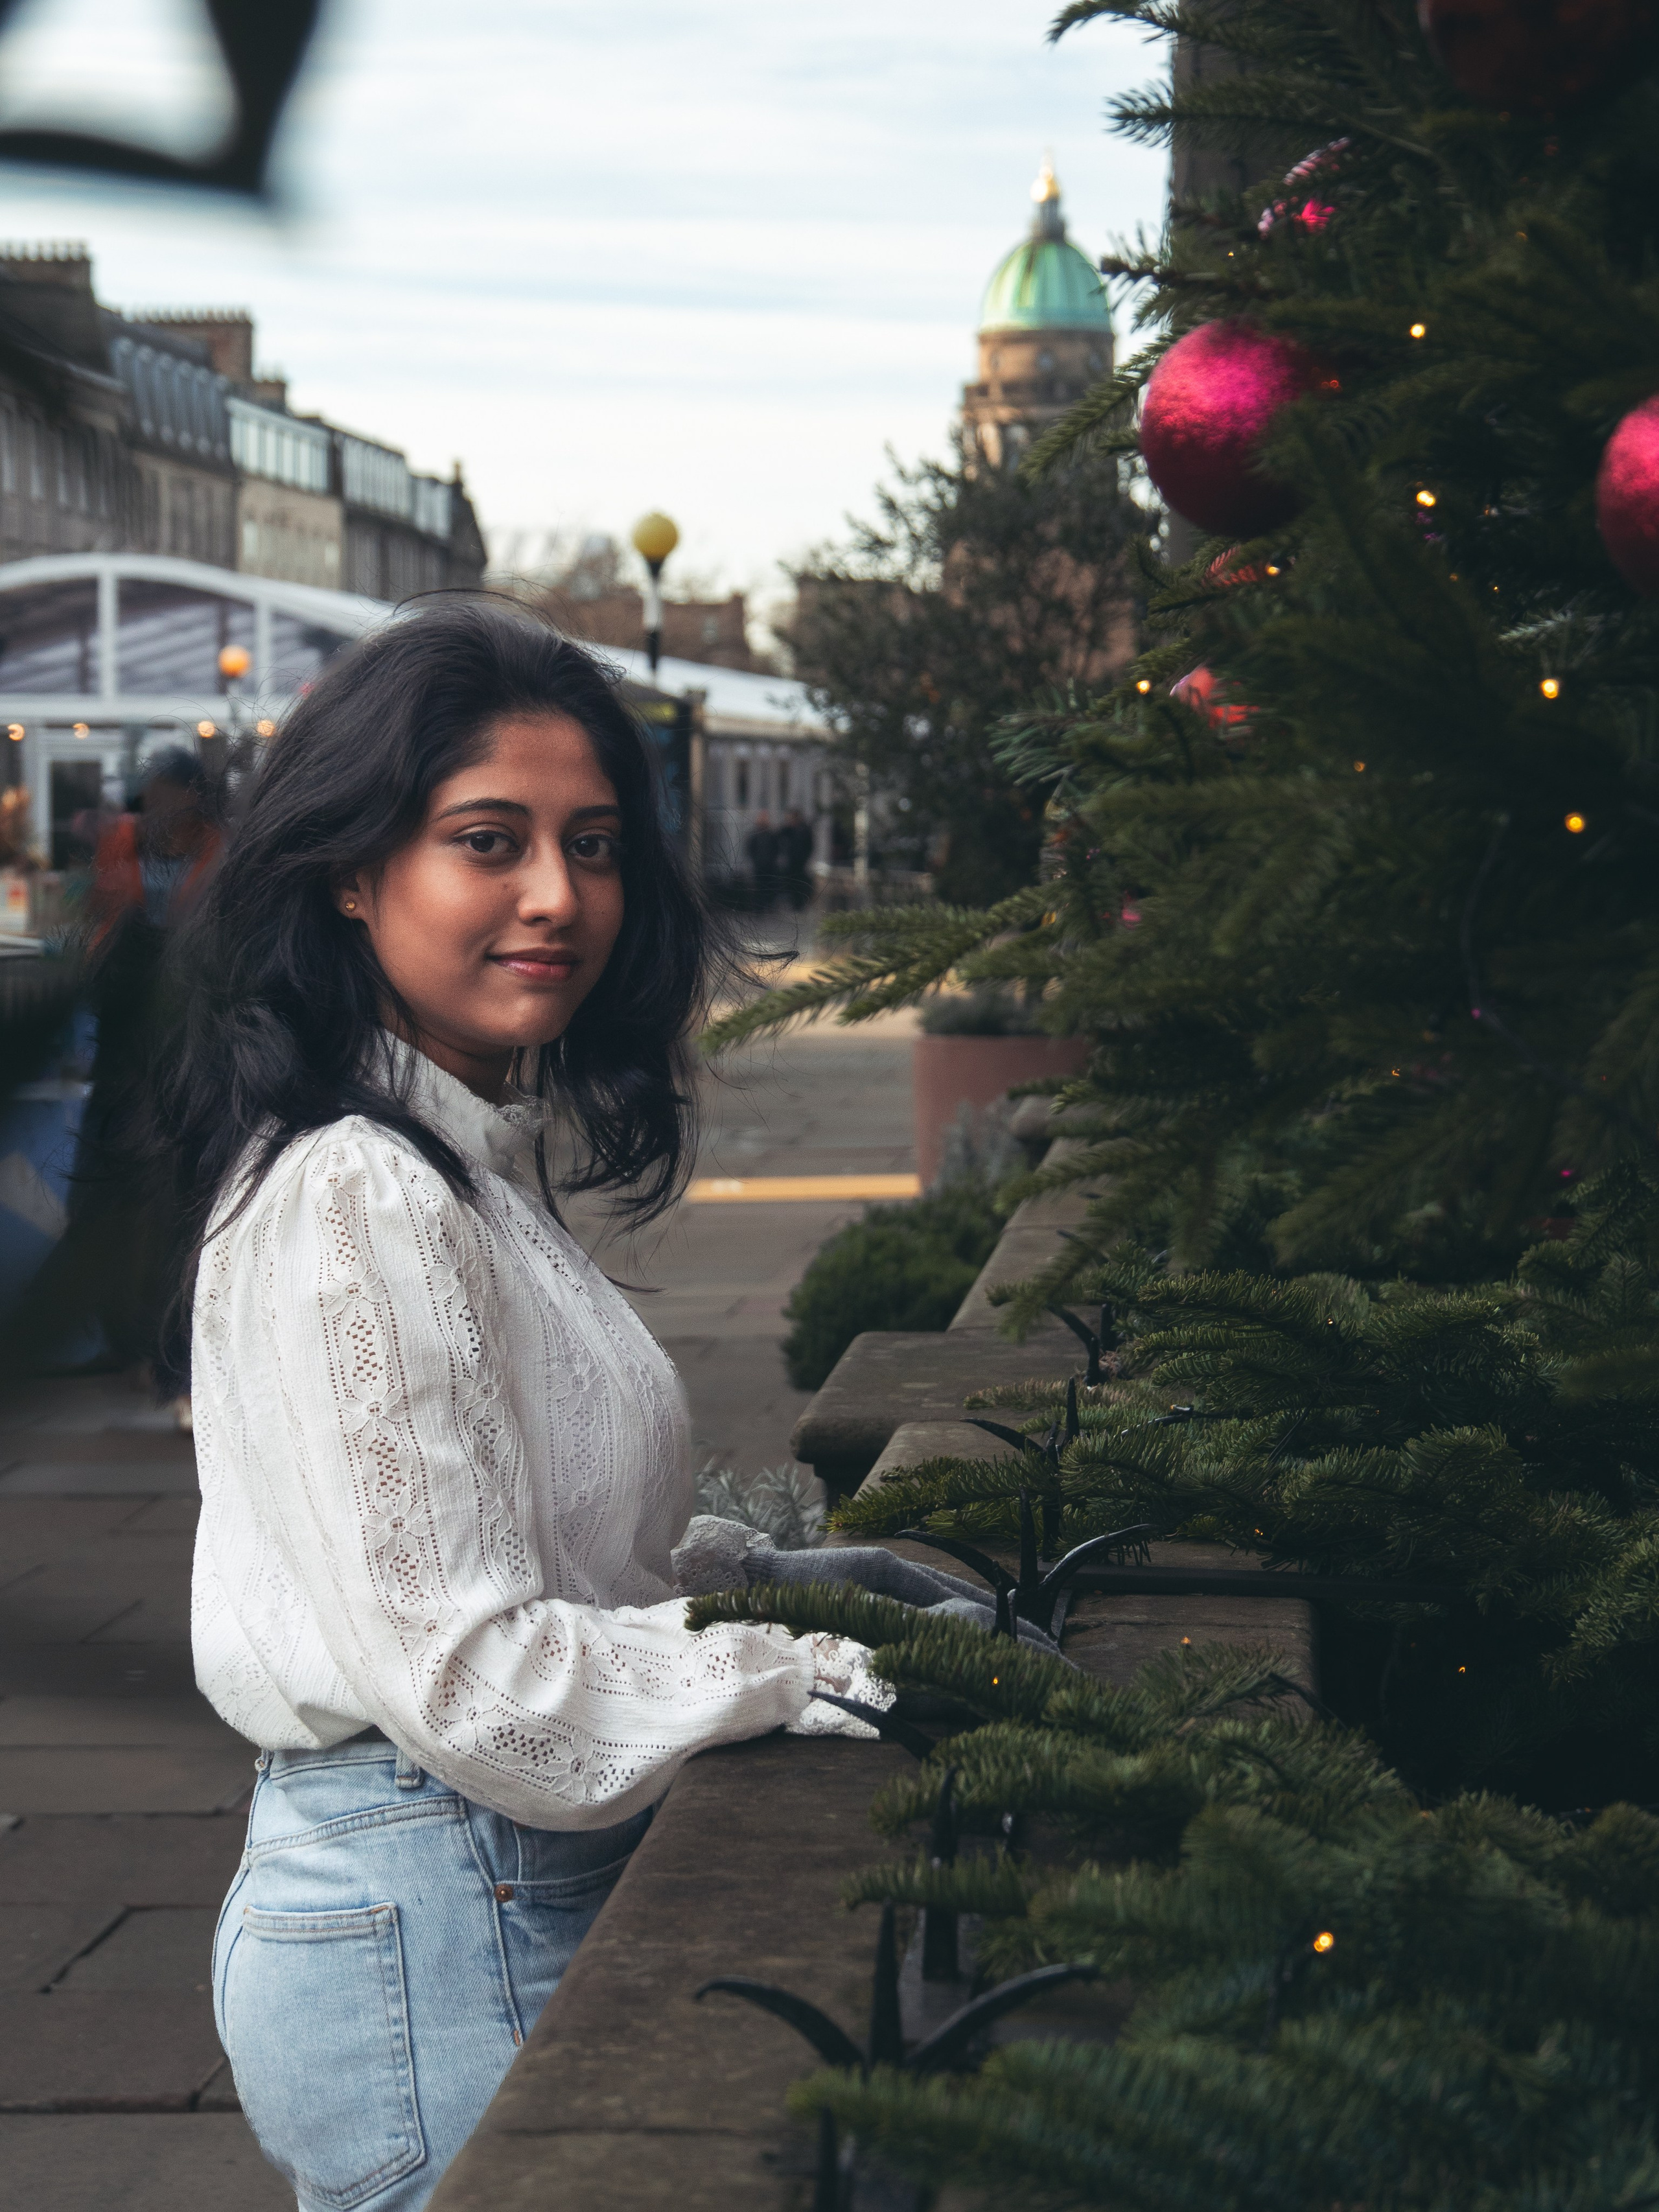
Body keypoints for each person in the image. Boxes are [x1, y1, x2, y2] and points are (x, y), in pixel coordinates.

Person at [156, 603, 903, 2211]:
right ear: (354, 869)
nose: (557, 896)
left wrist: (750, 1579)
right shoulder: (362, 1188)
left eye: (593, 844)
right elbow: (470, 1667)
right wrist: (797, 1667)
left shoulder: (452, 1159)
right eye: (487, 841)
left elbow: (516, 1534)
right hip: (444, 1902)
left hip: (473, 1890)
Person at [779, 806, 814, 911]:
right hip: (793, 861)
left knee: (799, 882)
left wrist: (804, 857)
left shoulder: (803, 830)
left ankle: (799, 903)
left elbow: (809, 846)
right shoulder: (790, 830)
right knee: (792, 882)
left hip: (800, 861)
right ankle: (795, 903)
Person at [744, 806, 777, 909]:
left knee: (768, 886)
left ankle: (767, 905)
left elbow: (776, 849)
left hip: (769, 865)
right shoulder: (754, 835)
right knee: (759, 886)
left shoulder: (771, 835)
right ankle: (759, 907)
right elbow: (750, 849)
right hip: (759, 865)